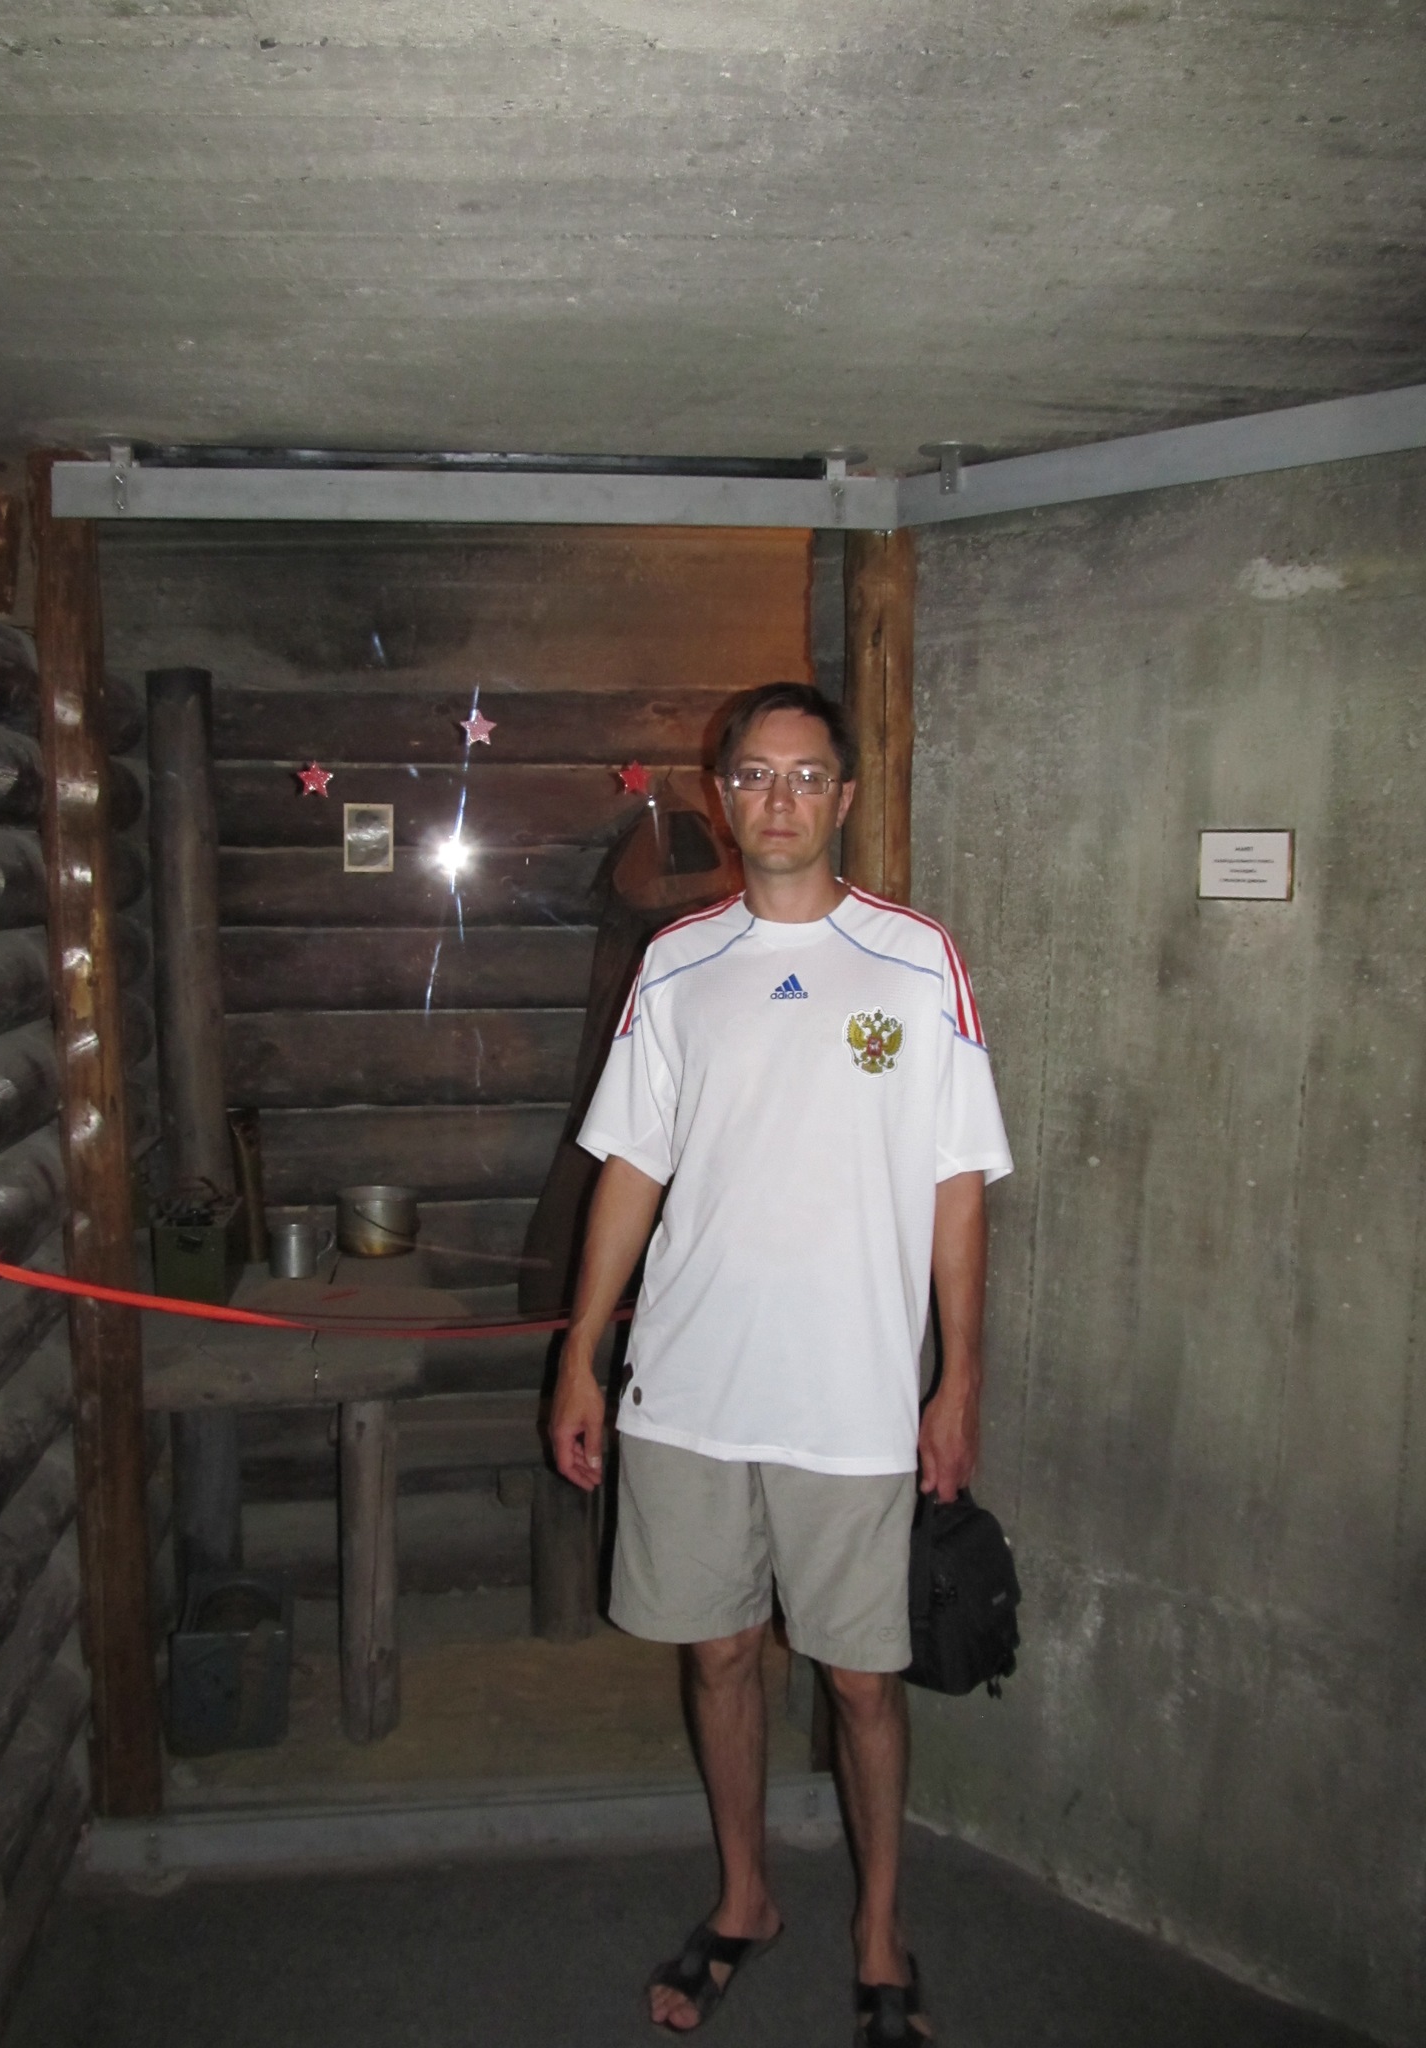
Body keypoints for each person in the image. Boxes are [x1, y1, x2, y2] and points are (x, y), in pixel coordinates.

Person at [550, 681, 1012, 2043]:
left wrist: (959, 1379)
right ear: (722, 794)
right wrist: (581, 1356)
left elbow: (959, 1185)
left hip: (851, 1395)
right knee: (720, 1656)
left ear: (845, 798)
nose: (780, 800)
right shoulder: (677, 962)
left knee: (862, 1681)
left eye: (808, 777)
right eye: (755, 775)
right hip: (690, 1384)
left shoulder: (916, 960)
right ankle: (746, 1898)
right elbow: (633, 1168)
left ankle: (879, 1929)